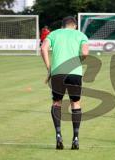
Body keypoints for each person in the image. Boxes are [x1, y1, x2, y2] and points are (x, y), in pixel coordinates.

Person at [41, 16, 89, 150]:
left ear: (62, 25)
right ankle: (76, 138)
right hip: (75, 73)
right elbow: (85, 53)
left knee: (57, 103)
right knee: (75, 103)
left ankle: (58, 134)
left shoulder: (54, 34)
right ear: (75, 26)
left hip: (57, 73)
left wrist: (49, 67)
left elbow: (43, 48)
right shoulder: (81, 34)